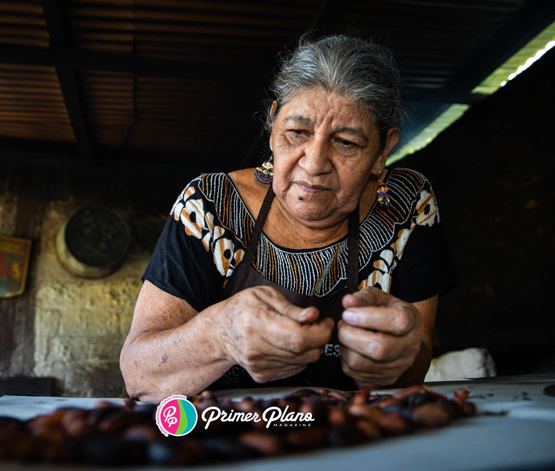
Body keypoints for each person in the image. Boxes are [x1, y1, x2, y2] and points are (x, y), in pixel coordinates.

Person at [120, 34, 455, 402]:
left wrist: (395, 359)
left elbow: (416, 361)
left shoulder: (406, 207)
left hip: (353, 439)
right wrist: (219, 334)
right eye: (296, 133)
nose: (313, 165)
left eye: (346, 142)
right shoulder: (210, 206)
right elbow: (139, 375)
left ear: (382, 150)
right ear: (273, 122)